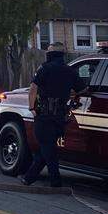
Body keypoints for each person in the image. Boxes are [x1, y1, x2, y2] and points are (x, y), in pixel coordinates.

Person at [22, 42, 84, 187]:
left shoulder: (45, 68)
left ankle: (55, 181)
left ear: (51, 54)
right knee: (46, 148)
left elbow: (33, 88)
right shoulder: (70, 71)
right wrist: (70, 95)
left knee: (48, 149)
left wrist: (32, 108)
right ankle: (28, 178)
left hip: (44, 115)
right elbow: (82, 89)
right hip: (60, 117)